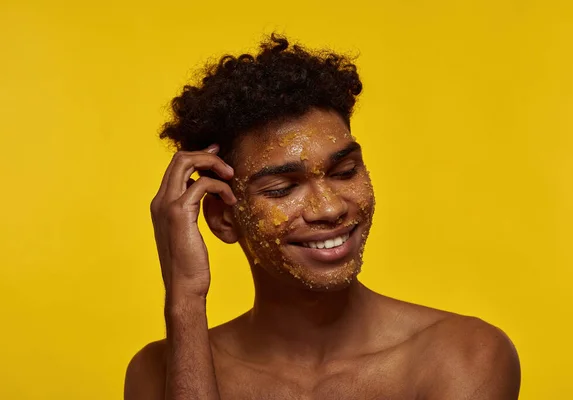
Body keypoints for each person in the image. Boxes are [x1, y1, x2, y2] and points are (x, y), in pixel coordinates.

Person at [124, 34, 521, 400]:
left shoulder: (463, 355)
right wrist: (185, 301)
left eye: (345, 172)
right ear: (224, 218)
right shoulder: (157, 371)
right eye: (282, 189)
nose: (330, 208)